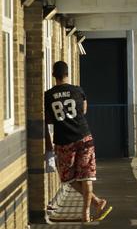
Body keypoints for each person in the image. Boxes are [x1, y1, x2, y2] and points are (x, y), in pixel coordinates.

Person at [44, 60, 112, 222]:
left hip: (63, 141)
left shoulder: (48, 95)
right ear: (67, 74)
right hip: (83, 136)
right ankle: (87, 211)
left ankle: (95, 203)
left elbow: (48, 120)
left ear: (54, 75)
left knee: (67, 178)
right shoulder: (78, 91)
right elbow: (84, 110)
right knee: (86, 176)